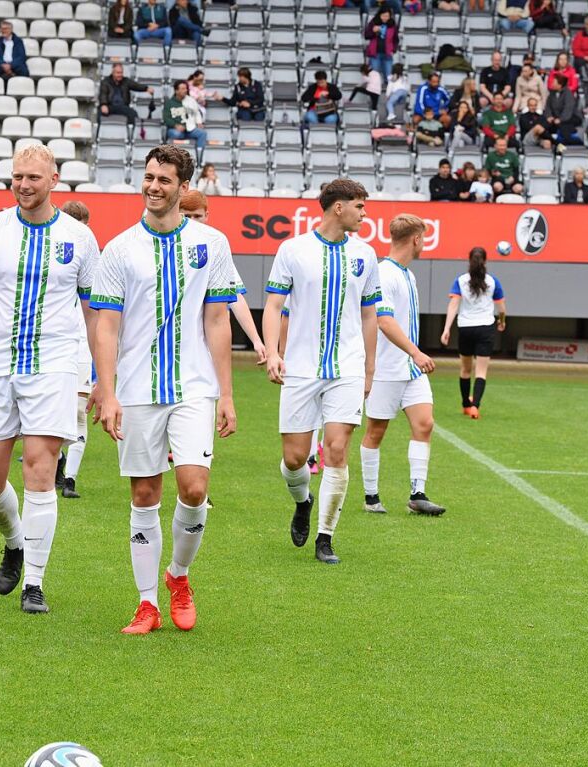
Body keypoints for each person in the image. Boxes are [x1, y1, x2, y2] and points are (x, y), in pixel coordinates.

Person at [92, 145, 239, 635]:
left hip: (195, 386)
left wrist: (228, 394)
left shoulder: (211, 243)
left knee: (194, 488)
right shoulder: (118, 249)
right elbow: (106, 327)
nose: (154, 186)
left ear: (183, 186)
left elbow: (218, 321)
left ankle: (178, 575)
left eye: (164, 180)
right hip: (135, 389)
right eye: (149, 177)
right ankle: (147, 602)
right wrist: (106, 391)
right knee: (145, 493)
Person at [0, 144, 100, 615]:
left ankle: (34, 581)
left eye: (34, 177)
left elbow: (96, 313)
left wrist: (101, 376)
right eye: (17, 177)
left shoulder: (79, 237)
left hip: (52, 366)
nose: (24, 185)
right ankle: (14, 541)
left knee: (39, 468)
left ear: (54, 179)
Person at [262, 179, 381, 566]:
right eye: (360, 207)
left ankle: (325, 537)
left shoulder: (365, 255)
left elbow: (369, 315)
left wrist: (368, 369)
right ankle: (303, 501)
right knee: (295, 459)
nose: (365, 215)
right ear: (338, 208)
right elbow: (273, 304)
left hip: (345, 367)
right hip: (300, 368)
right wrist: (273, 352)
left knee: (336, 450)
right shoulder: (293, 250)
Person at [360, 215, 444, 516]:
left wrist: (413, 357)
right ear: (416, 239)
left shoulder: (407, 274)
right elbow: (384, 320)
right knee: (376, 431)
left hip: (409, 369)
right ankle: (371, 497)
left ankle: (417, 493)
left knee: (425, 423)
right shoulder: (385, 273)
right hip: (386, 368)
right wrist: (416, 352)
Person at [179, 189, 266, 365]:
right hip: (177, 338)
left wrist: (256, 340)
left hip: (210, 343)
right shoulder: (165, 247)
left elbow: (235, 297)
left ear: (207, 215)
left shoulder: (216, 246)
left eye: (198, 216)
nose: (193, 222)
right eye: (187, 216)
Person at [57, 199, 94, 500]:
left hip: (83, 342)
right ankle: (57, 463)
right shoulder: (52, 251)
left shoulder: (91, 250)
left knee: (80, 410)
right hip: (56, 343)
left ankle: (70, 478)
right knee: (55, 410)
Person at [441, 248, 505, 418]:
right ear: (485, 261)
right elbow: (501, 307)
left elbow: (453, 305)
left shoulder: (460, 281)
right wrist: (502, 321)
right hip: (486, 328)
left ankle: (465, 405)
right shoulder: (493, 281)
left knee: (465, 369)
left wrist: (447, 328)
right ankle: (475, 406)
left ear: (469, 261)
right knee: (481, 371)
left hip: (465, 328)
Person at [163, 80, 207, 155]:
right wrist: (175, 125)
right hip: (175, 130)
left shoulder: (191, 100)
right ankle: (174, 156)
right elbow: (166, 118)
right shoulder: (169, 103)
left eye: (186, 88)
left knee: (202, 133)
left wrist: (199, 122)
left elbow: (197, 112)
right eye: (183, 89)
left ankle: (199, 157)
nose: (185, 90)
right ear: (176, 91)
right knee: (176, 134)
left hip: (189, 130)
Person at [544, 73, 583, 146]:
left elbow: (568, 109)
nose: (552, 83)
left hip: (571, 117)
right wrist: (549, 116)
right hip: (556, 117)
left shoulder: (568, 94)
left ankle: (570, 142)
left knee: (563, 125)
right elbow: (548, 106)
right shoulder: (552, 93)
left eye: (554, 82)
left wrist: (560, 119)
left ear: (560, 84)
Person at [364, 7, 398, 82]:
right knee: (374, 76)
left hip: (388, 54)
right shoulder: (373, 22)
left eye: (387, 16)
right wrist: (373, 31)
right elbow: (366, 36)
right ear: (379, 15)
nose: (385, 18)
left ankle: (388, 92)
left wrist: (394, 50)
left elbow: (395, 39)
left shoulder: (392, 24)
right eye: (383, 16)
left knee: (389, 76)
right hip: (375, 54)